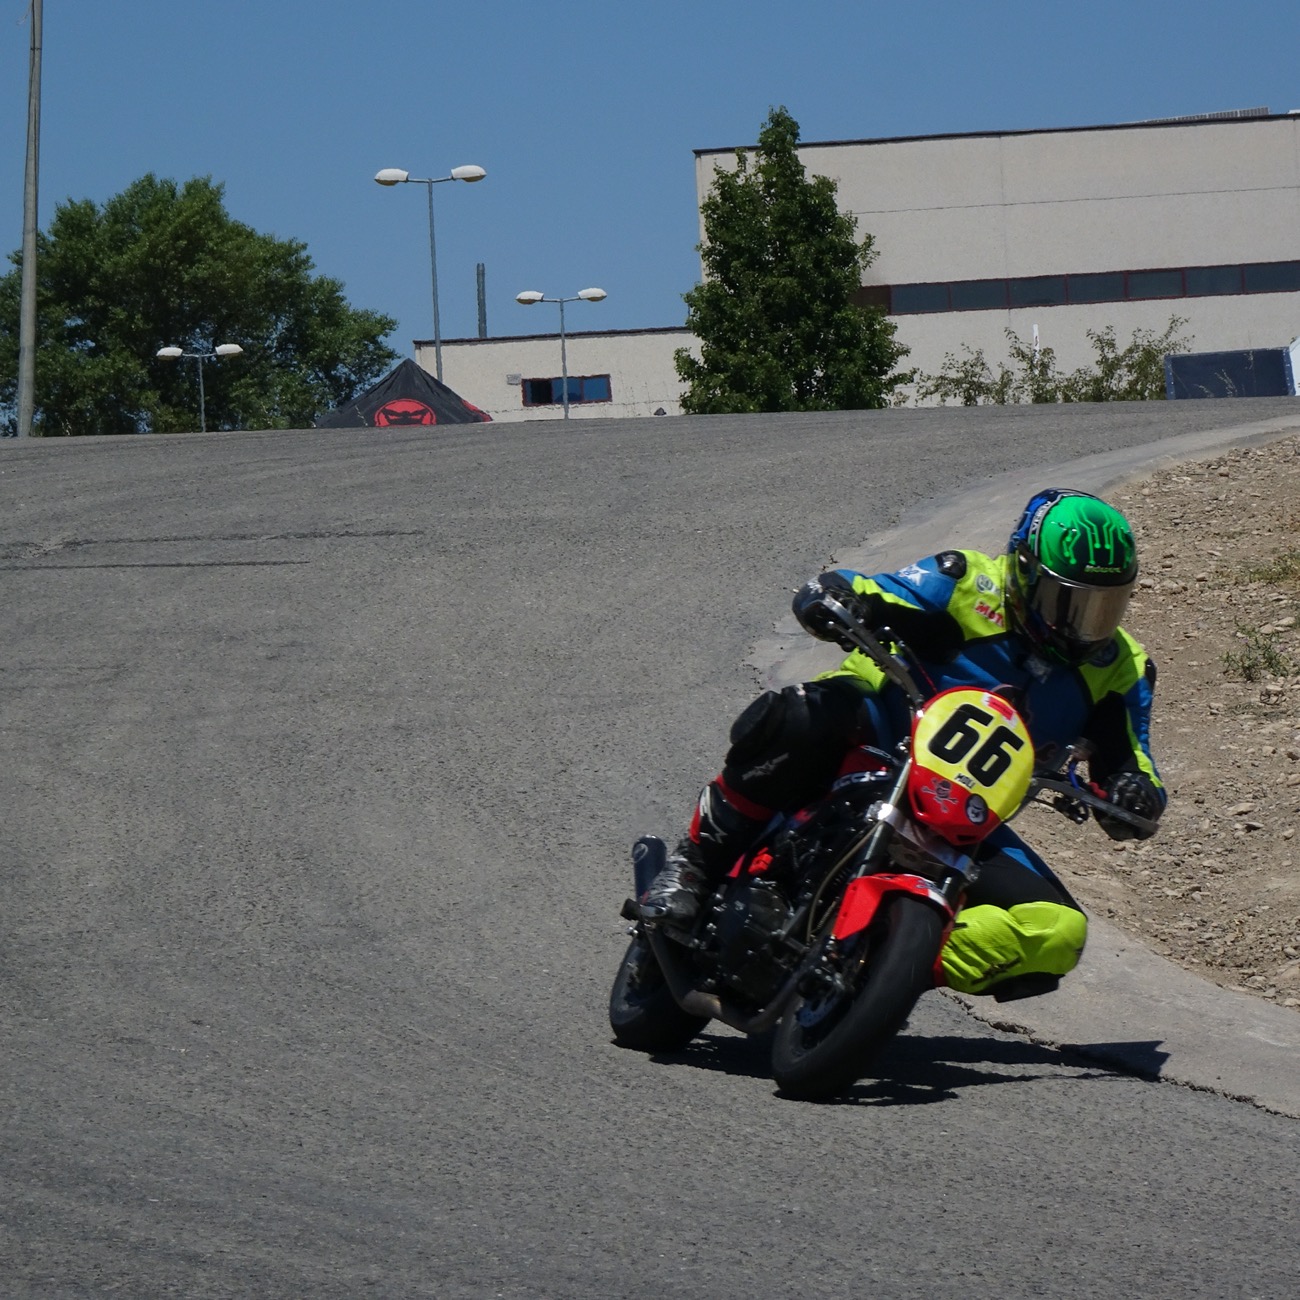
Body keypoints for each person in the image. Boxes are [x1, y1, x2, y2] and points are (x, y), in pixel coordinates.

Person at [640, 488, 1166, 1000]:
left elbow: (1135, 761)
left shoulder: (1124, 667)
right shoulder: (966, 581)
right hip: (876, 735)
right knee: (799, 716)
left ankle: (882, 965)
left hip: (964, 811)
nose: (1081, 627)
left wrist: (1134, 792)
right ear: (1024, 571)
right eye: (1067, 603)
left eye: (1103, 607)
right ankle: (693, 866)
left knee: (1058, 928)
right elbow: (874, 588)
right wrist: (842, 596)